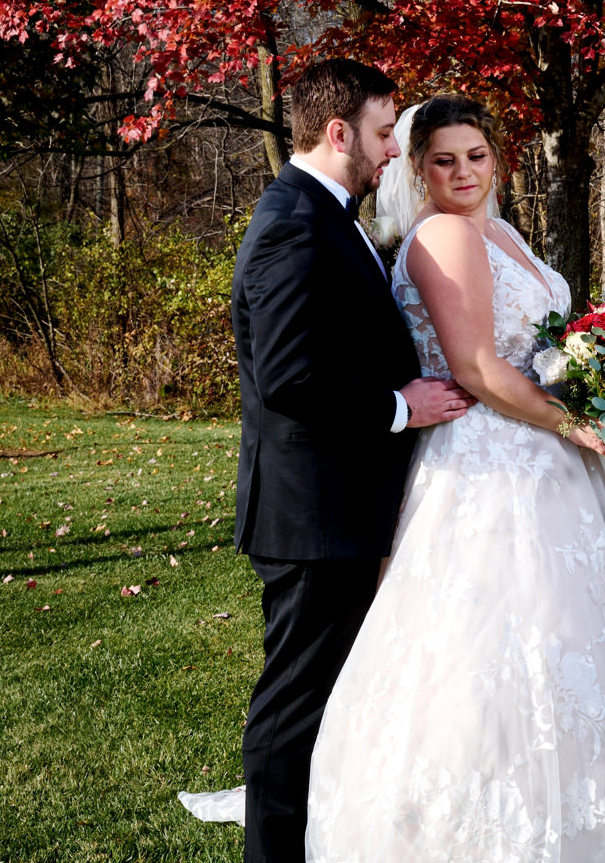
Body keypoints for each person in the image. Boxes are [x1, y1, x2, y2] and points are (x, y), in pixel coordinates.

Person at [302, 94, 605, 863]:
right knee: (495, 640)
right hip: (487, 461)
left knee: (567, 634)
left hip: (539, 450)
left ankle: (592, 787)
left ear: (497, 160)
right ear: (418, 168)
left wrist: (604, 380)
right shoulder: (441, 234)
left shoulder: (496, 230)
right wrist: (574, 424)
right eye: (443, 160)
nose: (462, 172)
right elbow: (475, 366)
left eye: (476, 156)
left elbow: (540, 339)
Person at [227, 59, 474, 863]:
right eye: (379, 134)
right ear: (338, 133)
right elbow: (290, 380)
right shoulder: (293, 223)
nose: (389, 153)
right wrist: (404, 407)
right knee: (293, 706)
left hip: (337, 507)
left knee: (331, 697)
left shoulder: (327, 214)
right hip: (311, 516)